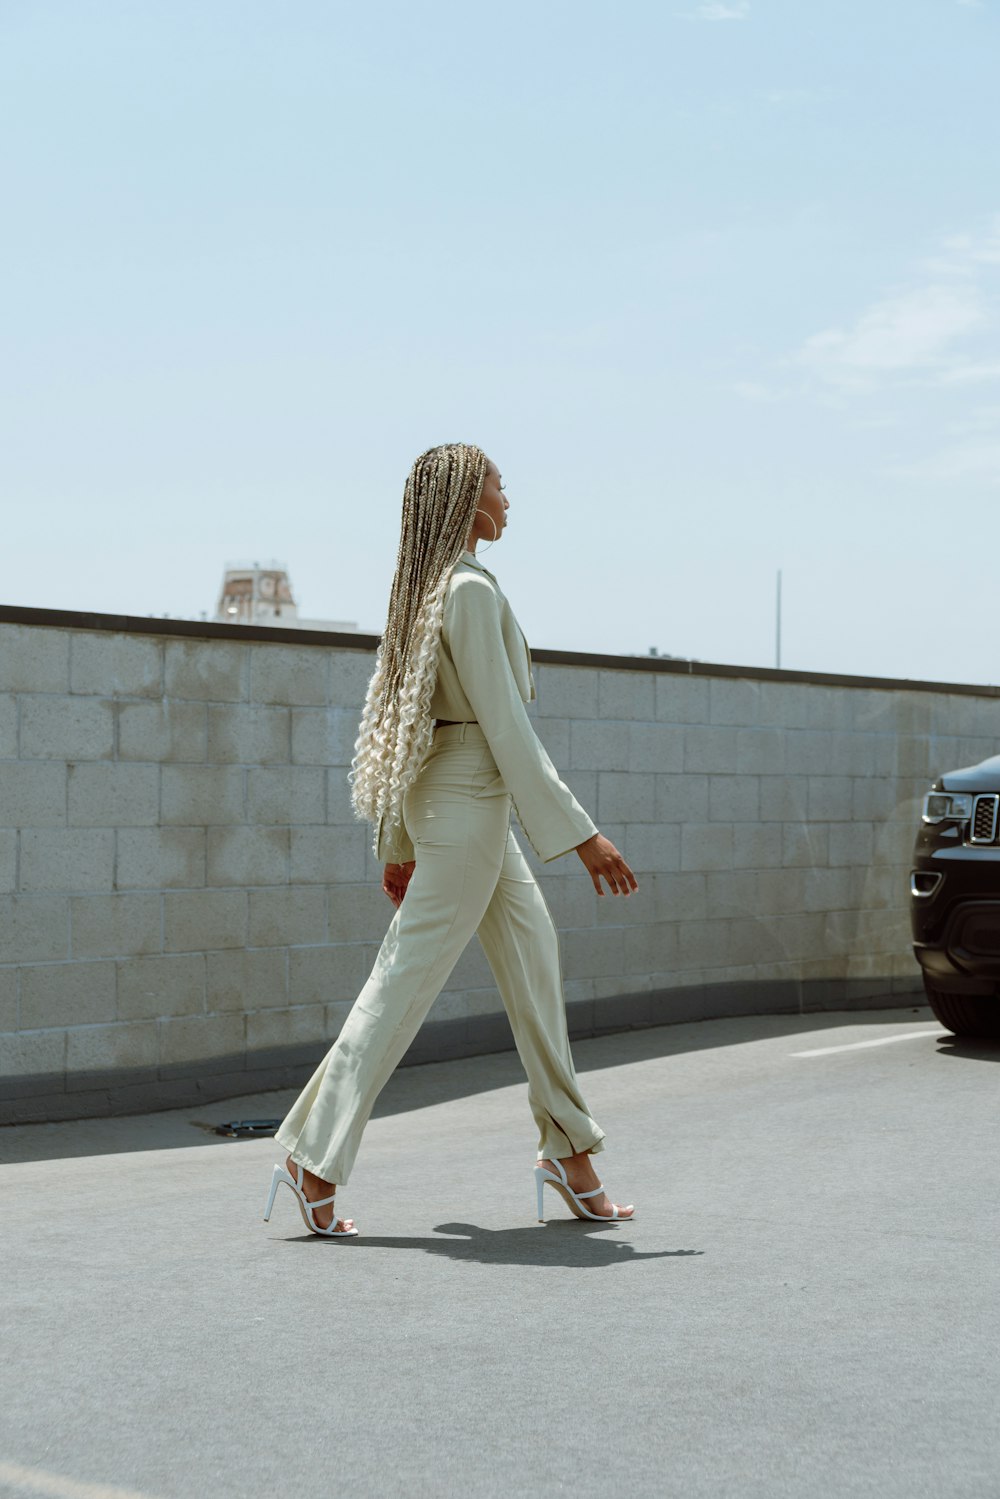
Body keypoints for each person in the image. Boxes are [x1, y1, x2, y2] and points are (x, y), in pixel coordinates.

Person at [263, 442, 638, 1238]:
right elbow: (503, 726)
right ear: (470, 496)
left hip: (468, 805)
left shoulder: (436, 592)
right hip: (471, 803)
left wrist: (398, 837)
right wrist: (583, 836)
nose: (510, 494)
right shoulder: (463, 592)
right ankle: (312, 1157)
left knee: (534, 965)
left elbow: (409, 728)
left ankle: (570, 1154)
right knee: (402, 984)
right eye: (500, 482)